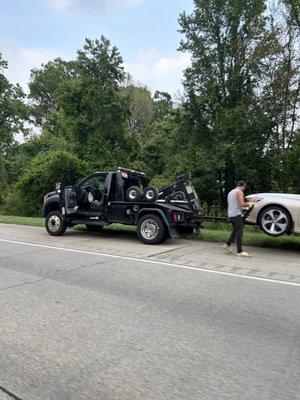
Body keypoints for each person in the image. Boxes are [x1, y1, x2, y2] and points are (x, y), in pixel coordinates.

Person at [223, 180, 250, 257]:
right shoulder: (240, 192)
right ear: (243, 186)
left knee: (235, 230)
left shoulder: (231, 192)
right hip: (236, 214)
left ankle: (227, 245)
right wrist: (251, 204)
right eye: (244, 187)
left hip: (231, 213)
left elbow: (234, 203)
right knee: (239, 231)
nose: (244, 188)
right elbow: (242, 204)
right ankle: (239, 251)